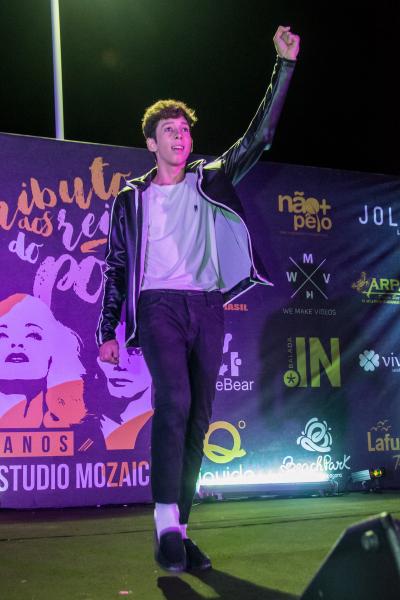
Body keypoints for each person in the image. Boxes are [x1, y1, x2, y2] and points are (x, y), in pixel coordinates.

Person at [97, 25, 300, 572]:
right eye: (169, 129)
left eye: (185, 129)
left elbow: (259, 138)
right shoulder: (132, 198)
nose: (180, 136)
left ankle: (179, 531)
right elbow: (116, 265)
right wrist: (107, 330)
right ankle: (165, 523)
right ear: (151, 142)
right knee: (175, 402)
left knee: (198, 421)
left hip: (207, 306)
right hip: (158, 305)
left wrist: (283, 67)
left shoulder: (210, 178)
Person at [96, 321, 153, 450]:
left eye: (135, 352)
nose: (120, 364)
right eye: (111, 350)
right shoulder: (83, 427)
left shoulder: (172, 427)